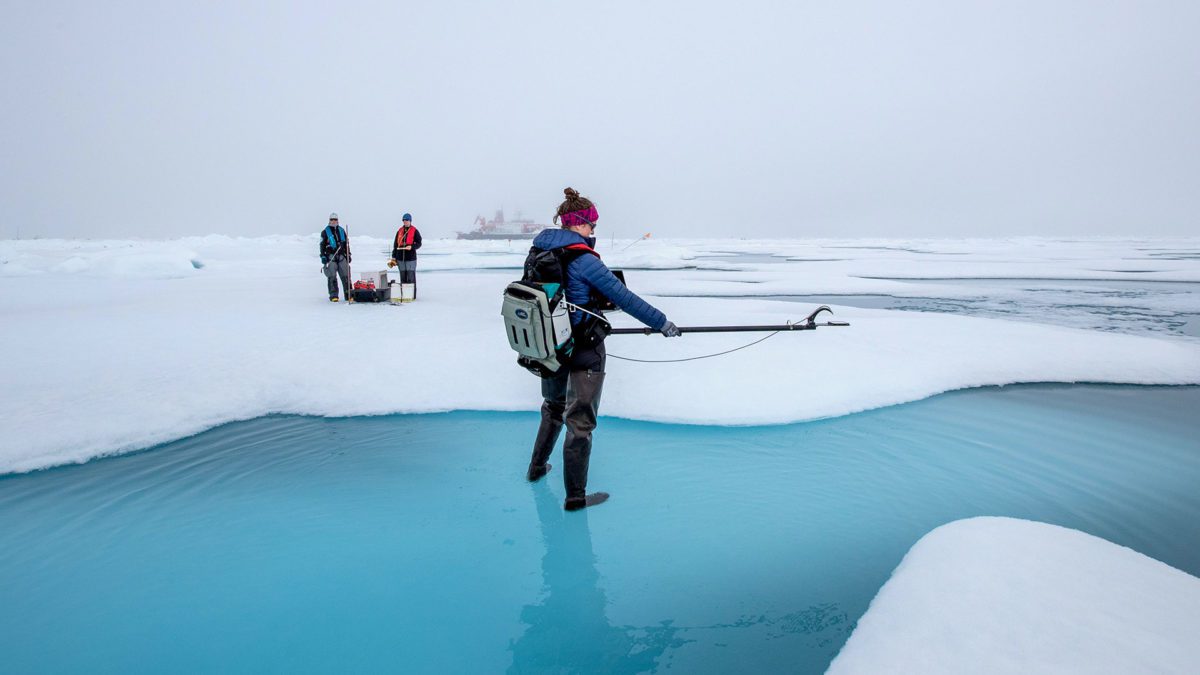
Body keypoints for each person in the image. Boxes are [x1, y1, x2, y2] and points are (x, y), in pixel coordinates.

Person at [526, 188, 681, 511]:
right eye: (591, 225)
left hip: (550, 346)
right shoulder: (584, 260)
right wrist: (662, 322)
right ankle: (576, 497)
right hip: (585, 349)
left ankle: (537, 468)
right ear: (577, 224)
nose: (594, 230)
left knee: (553, 407)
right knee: (579, 422)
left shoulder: (538, 251)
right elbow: (625, 298)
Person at [387, 213, 423, 298]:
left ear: (410, 221)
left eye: (406, 220)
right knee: (403, 277)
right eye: (404, 220)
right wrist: (394, 256)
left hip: (410, 258)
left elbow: (419, 243)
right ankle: (404, 295)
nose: (405, 222)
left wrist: (412, 247)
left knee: (411, 277)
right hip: (400, 258)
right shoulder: (399, 231)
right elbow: (395, 245)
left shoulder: (414, 230)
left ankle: (412, 296)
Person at [319, 212, 352, 302]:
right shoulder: (325, 232)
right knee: (332, 276)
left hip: (341, 256)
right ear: (329, 221)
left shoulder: (341, 231)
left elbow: (346, 245)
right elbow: (322, 245)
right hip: (331, 257)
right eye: (332, 219)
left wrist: (348, 254)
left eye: (335, 219)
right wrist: (323, 256)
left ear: (338, 220)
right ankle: (333, 295)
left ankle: (349, 294)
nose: (333, 221)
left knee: (346, 275)